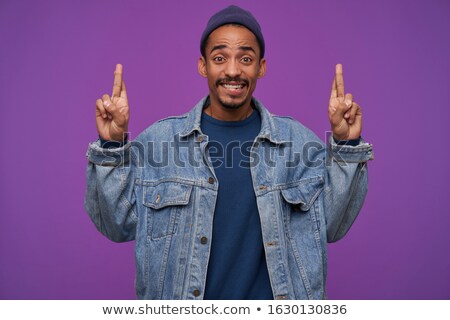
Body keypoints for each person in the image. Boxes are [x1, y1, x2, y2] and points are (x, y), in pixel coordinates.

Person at [85, 5, 373, 300]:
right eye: (219, 58)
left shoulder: (298, 144)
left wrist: (346, 145)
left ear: (261, 67)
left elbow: (332, 227)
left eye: (245, 58)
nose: (233, 70)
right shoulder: (159, 143)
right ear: (203, 66)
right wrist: (112, 146)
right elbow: (116, 225)